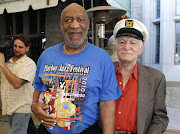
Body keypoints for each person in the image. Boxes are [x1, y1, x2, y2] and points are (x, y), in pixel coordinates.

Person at [31, 3, 122, 134]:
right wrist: (34, 107)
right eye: (68, 20)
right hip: (46, 131)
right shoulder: (46, 55)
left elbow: (107, 104)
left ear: (88, 24)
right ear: (61, 25)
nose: (74, 25)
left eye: (80, 20)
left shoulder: (102, 58)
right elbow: (37, 94)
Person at [113, 19, 169, 134]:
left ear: (140, 49)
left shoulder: (156, 78)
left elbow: (160, 117)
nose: (127, 47)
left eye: (133, 43)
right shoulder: (104, 72)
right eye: (122, 42)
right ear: (116, 46)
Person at [0, 33, 36, 134]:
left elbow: (17, 84)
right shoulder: (8, 62)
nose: (17, 49)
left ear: (27, 48)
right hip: (9, 106)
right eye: (15, 46)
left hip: (21, 107)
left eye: (20, 47)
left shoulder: (29, 64)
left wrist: (2, 65)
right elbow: (3, 82)